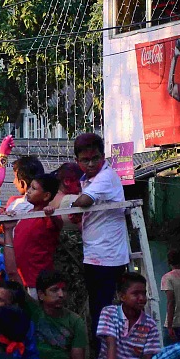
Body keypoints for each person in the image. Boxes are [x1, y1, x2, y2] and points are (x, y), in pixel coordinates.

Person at [71, 132, 130, 334]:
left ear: (102, 157)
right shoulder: (88, 180)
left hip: (108, 259)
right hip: (94, 255)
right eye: (85, 160)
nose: (90, 164)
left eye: (95, 158)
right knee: (98, 315)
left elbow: (83, 202)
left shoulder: (106, 177)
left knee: (105, 317)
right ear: (77, 161)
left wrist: (72, 205)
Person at [3, 173, 63, 297]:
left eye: (34, 189)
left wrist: (50, 213)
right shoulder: (27, 214)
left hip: (36, 282)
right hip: (21, 279)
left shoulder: (48, 217)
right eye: (29, 187)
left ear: (46, 196)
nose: (28, 191)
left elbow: (57, 224)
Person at [161, 249, 180, 343]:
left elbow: (171, 301)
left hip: (175, 324)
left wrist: (169, 326)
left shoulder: (167, 278)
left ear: (169, 262)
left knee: (169, 354)